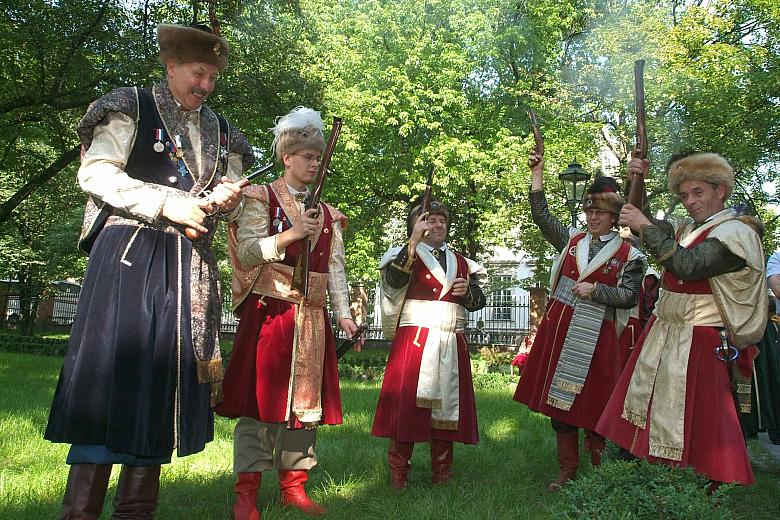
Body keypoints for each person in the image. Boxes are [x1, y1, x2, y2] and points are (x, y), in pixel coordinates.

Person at [44, 23, 252, 519]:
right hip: (128, 259)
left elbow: (233, 196)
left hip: (188, 269)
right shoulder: (129, 105)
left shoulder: (223, 131)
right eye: (197, 73)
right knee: (112, 378)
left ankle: (135, 511)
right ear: (171, 65)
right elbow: (95, 174)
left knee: (162, 380)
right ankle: (80, 512)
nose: (204, 85)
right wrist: (167, 204)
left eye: (213, 77)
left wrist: (226, 198)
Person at [216, 107, 360, 518]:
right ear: (287, 157)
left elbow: (335, 267)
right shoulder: (261, 198)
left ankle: (293, 487)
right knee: (260, 404)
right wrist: (292, 234)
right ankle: (246, 492)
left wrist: (344, 313)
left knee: (304, 408)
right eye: (307, 156)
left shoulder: (330, 214)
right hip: (271, 314)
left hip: (313, 320)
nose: (314, 163)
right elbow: (246, 253)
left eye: (318, 157)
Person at [596, 151, 768, 488]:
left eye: (698, 192)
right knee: (652, 412)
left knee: (701, 422)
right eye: (684, 195)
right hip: (668, 334)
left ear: (721, 190)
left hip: (704, 339)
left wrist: (644, 224)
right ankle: (657, 484)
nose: (689, 202)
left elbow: (688, 265)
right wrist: (637, 179)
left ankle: (703, 494)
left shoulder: (737, 233)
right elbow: (643, 223)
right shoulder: (689, 228)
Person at [513, 151, 645, 491]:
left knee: (595, 406)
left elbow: (630, 297)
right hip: (559, 331)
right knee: (560, 407)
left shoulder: (630, 255)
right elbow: (542, 216)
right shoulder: (572, 240)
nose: (592, 217)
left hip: (598, 336)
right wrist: (537, 173)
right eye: (589, 210)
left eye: (599, 212)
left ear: (615, 216)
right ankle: (567, 471)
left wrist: (597, 290)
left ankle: (601, 473)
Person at [371, 201, 487, 489]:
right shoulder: (404, 255)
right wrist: (411, 243)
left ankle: (442, 473)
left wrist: (468, 292)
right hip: (416, 340)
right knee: (408, 406)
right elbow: (395, 281)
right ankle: (399, 475)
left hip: (450, 338)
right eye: (429, 220)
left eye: (441, 221)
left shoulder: (461, 261)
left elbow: (478, 302)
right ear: (416, 225)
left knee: (448, 407)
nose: (437, 226)